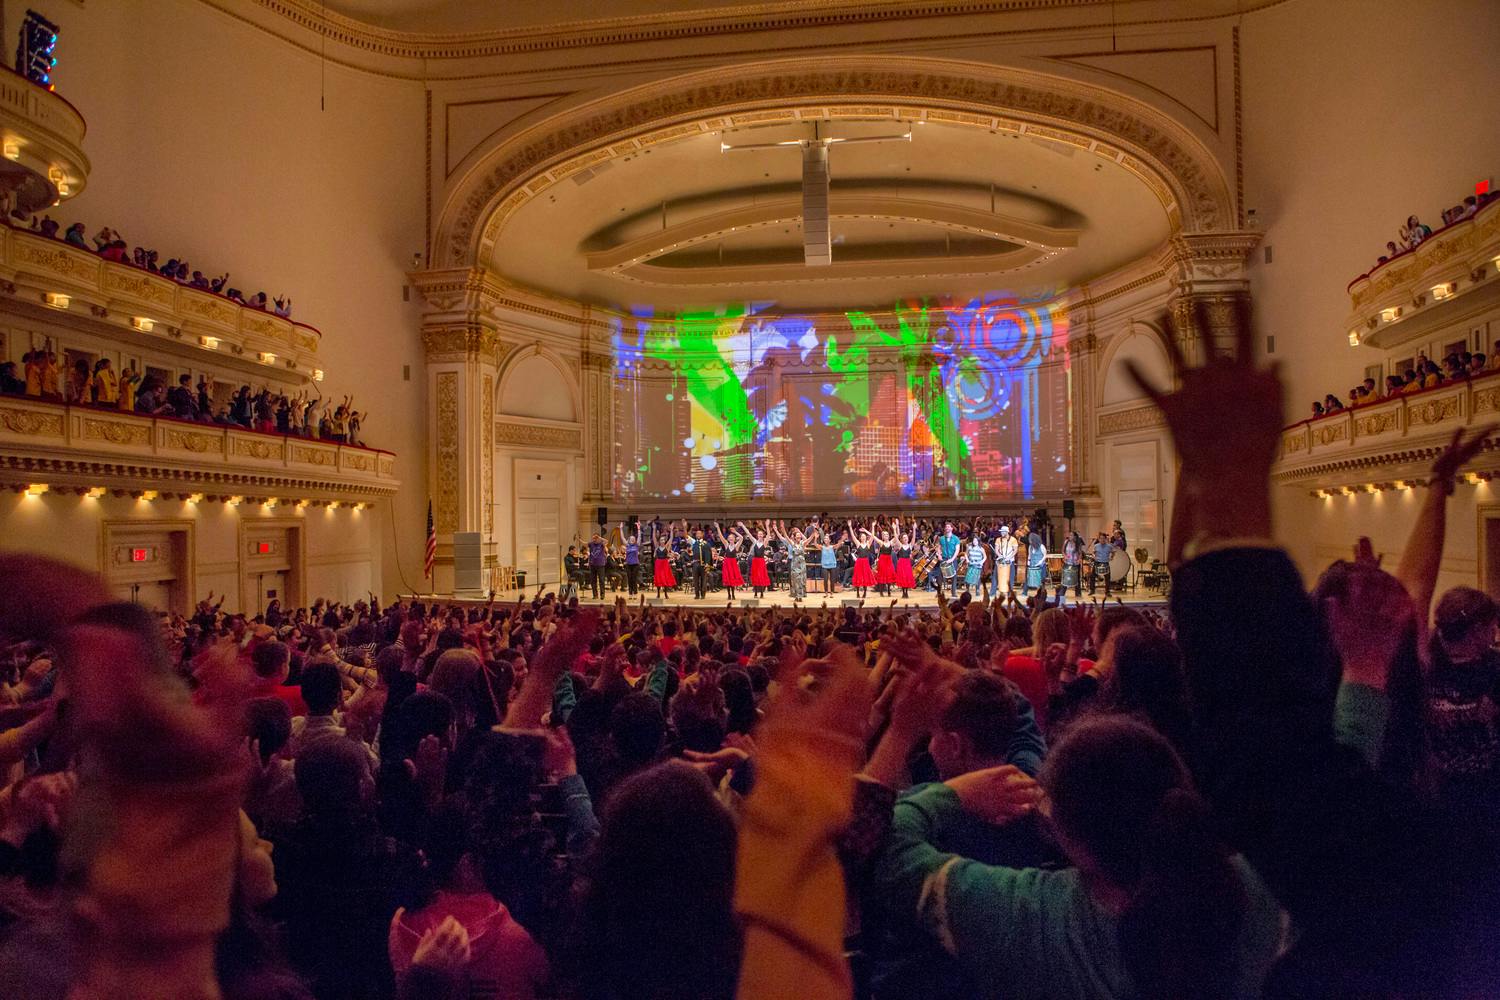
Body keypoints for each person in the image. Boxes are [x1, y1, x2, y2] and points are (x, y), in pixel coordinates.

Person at [875, 715, 1283, 1000]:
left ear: (1069, 839)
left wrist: (952, 793)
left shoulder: (1028, 916)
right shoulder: (1260, 888)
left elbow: (885, 844)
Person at [714, 522, 745, 601]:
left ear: (734, 539)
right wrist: (718, 527)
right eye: (729, 537)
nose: (731, 538)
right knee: (728, 580)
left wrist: (735, 532)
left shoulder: (736, 546)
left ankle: (733, 594)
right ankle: (729, 595)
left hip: (733, 563)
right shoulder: (726, 545)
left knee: (732, 580)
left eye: (732, 537)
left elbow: (741, 538)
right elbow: (720, 536)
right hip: (727, 564)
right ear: (728, 539)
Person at [650, 521, 677, 600]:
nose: (662, 541)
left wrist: (671, 530)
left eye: (663, 540)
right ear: (659, 541)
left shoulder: (667, 547)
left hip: (665, 563)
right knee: (658, 578)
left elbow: (671, 538)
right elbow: (654, 538)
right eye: (661, 540)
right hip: (658, 563)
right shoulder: (657, 547)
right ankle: (658, 594)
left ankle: (665, 593)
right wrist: (654, 528)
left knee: (664, 578)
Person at [937, 521, 961, 598]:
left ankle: (953, 592)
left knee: (954, 576)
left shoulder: (956, 538)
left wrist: (952, 559)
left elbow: (957, 550)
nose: (947, 528)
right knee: (940, 575)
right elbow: (939, 548)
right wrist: (939, 555)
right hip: (944, 558)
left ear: (952, 528)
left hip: (952, 559)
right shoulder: (941, 538)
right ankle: (939, 592)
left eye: (948, 526)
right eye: (946, 527)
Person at [993, 525, 1017, 598]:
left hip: (1010, 561)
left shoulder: (1013, 539)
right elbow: (996, 550)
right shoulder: (998, 539)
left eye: (1003, 531)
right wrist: (1000, 555)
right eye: (1001, 532)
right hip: (1000, 560)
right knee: (995, 576)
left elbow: (1015, 550)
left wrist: (1009, 557)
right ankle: (992, 592)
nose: (1001, 533)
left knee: (1011, 577)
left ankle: (1010, 592)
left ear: (1007, 532)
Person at [619, 521, 641, 596]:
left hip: (635, 564)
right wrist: (621, 529)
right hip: (628, 564)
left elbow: (639, 537)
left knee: (634, 579)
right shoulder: (627, 545)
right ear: (629, 540)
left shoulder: (636, 545)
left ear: (634, 540)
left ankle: (635, 592)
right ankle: (630, 592)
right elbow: (622, 538)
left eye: (633, 538)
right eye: (631, 538)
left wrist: (638, 529)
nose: (632, 539)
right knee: (629, 578)